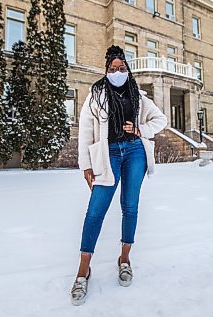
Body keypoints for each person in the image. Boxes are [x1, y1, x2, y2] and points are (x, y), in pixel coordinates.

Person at [70, 45, 167, 305]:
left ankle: (124, 259)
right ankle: (83, 269)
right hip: (108, 154)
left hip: (135, 152)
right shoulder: (96, 95)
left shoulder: (139, 96)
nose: (117, 72)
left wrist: (139, 129)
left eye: (121, 68)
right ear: (106, 71)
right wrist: (86, 165)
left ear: (128, 70)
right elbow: (86, 130)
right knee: (95, 211)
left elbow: (160, 120)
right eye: (113, 69)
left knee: (130, 208)